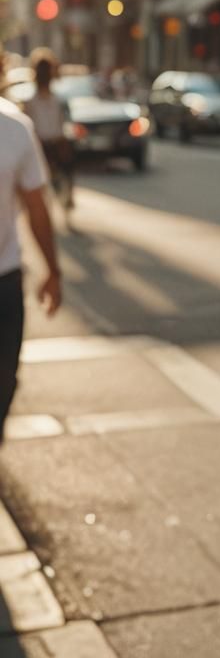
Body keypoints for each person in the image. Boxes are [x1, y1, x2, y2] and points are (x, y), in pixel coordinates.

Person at [0, 89, 61, 444]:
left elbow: (37, 206)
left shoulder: (14, 128)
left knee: (4, 380)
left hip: (4, 280)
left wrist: (53, 270)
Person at [21, 49, 75, 212]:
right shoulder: (30, 101)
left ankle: (67, 196)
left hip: (56, 142)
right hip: (39, 144)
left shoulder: (57, 99)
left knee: (68, 166)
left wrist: (62, 139)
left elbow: (63, 123)